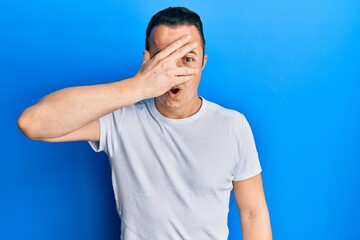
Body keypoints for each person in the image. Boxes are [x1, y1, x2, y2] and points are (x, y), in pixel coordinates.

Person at [18, 6, 272, 240]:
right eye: (164, 59)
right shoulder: (120, 120)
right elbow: (33, 122)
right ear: (148, 61)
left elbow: (253, 214)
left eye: (187, 59)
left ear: (203, 63)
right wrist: (138, 86)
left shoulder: (233, 126)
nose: (175, 73)